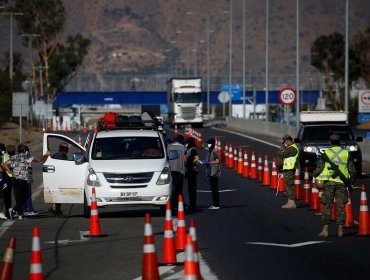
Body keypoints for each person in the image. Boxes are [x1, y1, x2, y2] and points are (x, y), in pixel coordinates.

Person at [313, 133, 356, 238]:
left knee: (327, 205)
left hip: (329, 183)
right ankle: (340, 229)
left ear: (330, 142)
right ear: (340, 142)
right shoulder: (346, 153)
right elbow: (352, 171)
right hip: (341, 183)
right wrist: (351, 183)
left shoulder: (326, 153)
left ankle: (325, 229)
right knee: (341, 206)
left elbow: (318, 169)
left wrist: (314, 174)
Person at [6, 144, 50, 220]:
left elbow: (4, 164)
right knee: (25, 197)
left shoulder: (14, 156)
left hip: (15, 179)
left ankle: (16, 212)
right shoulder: (26, 157)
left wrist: (11, 172)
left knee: (19, 197)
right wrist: (46, 155)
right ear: (25, 151)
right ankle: (17, 212)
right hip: (22, 180)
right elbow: (38, 160)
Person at [278, 135, 299, 209]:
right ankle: (289, 202)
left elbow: (281, 154)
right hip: (287, 168)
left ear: (287, 140)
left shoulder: (293, 148)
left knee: (289, 185)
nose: (285, 144)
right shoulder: (290, 148)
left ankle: (292, 203)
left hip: (290, 169)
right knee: (288, 186)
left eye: (285, 142)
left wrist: (282, 149)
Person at [49, 142, 69, 217]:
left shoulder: (63, 155)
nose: (67, 150)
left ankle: (54, 208)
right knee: (58, 195)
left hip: (60, 177)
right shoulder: (58, 156)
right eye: (65, 148)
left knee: (59, 194)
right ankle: (57, 211)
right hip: (57, 178)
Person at [168, 135, 186, 211]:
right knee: (179, 189)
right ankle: (179, 205)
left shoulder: (168, 147)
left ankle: (171, 205)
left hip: (170, 170)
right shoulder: (183, 148)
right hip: (179, 171)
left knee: (171, 189)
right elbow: (185, 159)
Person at [204, 138, 221, 210]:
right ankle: (214, 204)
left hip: (214, 173)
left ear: (212, 144)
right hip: (210, 172)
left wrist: (209, 162)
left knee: (214, 189)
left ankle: (216, 205)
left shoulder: (214, 152)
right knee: (213, 189)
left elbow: (217, 161)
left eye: (209, 144)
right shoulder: (209, 152)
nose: (208, 145)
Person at [184, 137, 199, 212]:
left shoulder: (192, 149)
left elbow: (197, 158)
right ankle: (192, 204)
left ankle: (193, 205)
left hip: (192, 171)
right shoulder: (189, 149)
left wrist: (190, 163)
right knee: (190, 188)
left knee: (192, 188)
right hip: (190, 171)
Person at [22, 146, 38, 217]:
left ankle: (24, 209)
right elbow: (37, 160)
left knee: (23, 194)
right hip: (27, 176)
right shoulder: (27, 156)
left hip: (21, 177)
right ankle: (29, 210)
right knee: (28, 194)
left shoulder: (17, 156)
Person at [2, 145, 16, 218]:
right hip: (8, 177)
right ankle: (8, 212)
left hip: (10, 177)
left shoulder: (5, 155)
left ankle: (9, 212)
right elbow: (3, 166)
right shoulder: (5, 156)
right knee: (8, 196)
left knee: (9, 196)